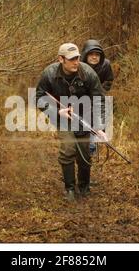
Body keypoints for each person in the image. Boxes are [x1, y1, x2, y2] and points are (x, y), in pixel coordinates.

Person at [35, 43, 107, 202]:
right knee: (68, 149)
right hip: (61, 116)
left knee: (85, 153)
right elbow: (39, 98)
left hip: (85, 117)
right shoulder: (49, 73)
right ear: (61, 59)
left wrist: (100, 127)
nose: (76, 62)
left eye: (78, 58)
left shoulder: (88, 73)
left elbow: (99, 101)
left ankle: (84, 187)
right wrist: (55, 112)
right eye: (72, 59)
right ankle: (69, 189)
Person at [81, 39, 115, 156]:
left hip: (98, 99)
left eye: (97, 55)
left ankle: (91, 150)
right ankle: (81, 149)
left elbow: (109, 80)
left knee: (97, 124)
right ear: (85, 54)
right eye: (91, 54)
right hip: (81, 100)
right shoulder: (78, 66)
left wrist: (100, 90)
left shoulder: (106, 65)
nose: (94, 57)